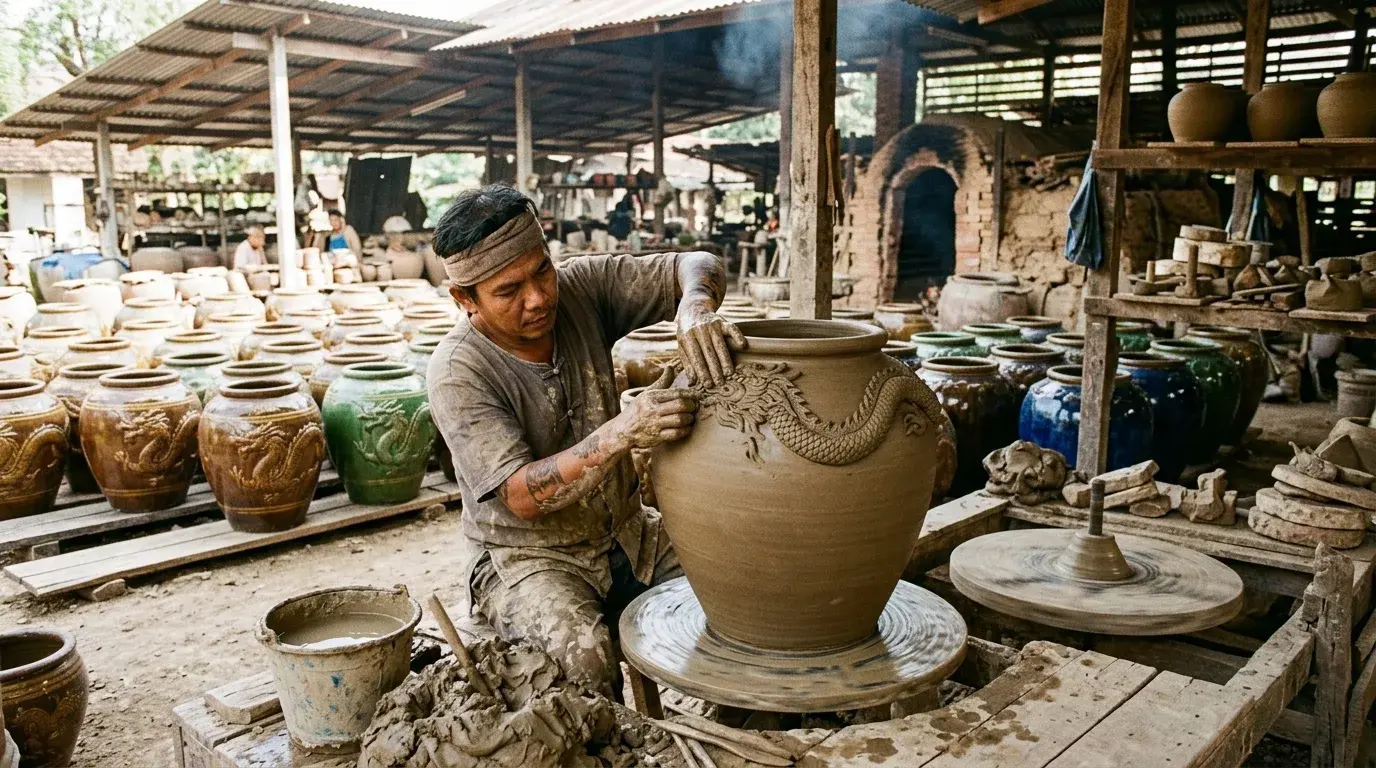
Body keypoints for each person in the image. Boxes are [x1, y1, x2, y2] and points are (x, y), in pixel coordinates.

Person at [426, 184, 743, 696]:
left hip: (627, 532)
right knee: (587, 663)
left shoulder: (581, 288)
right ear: (465, 299)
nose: (539, 298)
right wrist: (622, 432)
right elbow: (522, 497)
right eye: (509, 291)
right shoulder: (458, 371)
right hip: (526, 557)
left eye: (542, 270)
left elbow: (695, 262)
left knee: (741, 595)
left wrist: (696, 308)